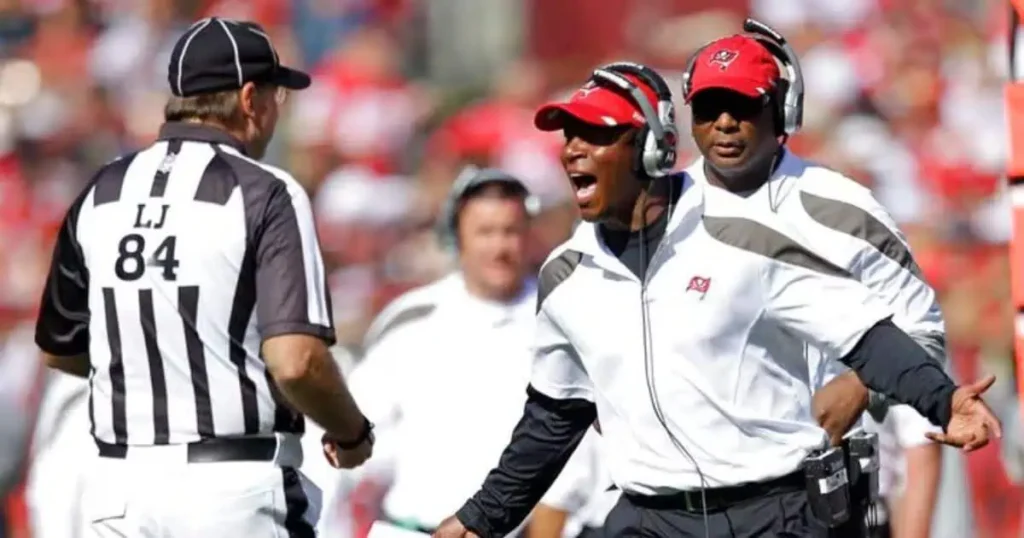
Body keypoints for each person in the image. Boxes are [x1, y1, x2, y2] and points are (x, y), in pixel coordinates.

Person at [431, 61, 1001, 538]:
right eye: (568, 136)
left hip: (775, 514)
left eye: (597, 135)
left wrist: (945, 401)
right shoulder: (565, 276)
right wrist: (479, 519)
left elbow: (866, 336)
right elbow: (555, 416)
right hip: (649, 518)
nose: (573, 151)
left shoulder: (746, 239)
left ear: (652, 148)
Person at [33, 17, 373, 537]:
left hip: (118, 487)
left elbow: (60, 346)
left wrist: (156, 371)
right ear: (249, 97)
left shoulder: (101, 190)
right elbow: (297, 362)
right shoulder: (269, 193)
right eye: (277, 97)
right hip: (231, 489)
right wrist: (352, 433)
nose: (278, 111)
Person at [679, 29, 947, 537]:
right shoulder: (662, 217)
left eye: (744, 105)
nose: (726, 123)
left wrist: (864, 386)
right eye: (709, 108)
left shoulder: (846, 210)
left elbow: (925, 329)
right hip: (692, 507)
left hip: (818, 498)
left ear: (782, 110)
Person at [339, 167, 548, 535]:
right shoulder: (412, 319)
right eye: (484, 232)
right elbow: (351, 432)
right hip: (413, 528)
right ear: (456, 237)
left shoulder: (558, 319)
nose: (499, 247)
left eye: (510, 232)